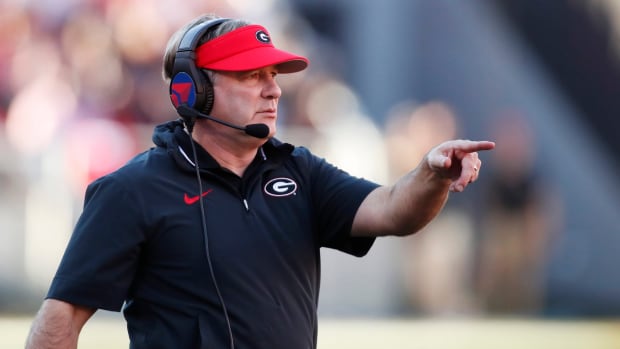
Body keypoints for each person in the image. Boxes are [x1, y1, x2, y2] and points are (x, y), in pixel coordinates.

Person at [25, 14, 495, 349]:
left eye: (273, 75)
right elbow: (61, 318)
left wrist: (430, 173)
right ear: (194, 90)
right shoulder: (131, 191)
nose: (273, 89)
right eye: (251, 76)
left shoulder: (299, 170)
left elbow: (393, 208)